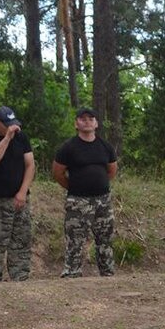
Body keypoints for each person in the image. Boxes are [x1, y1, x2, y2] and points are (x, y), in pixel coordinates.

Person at [52, 107, 118, 278]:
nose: (87, 121)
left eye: (91, 119)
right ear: (76, 123)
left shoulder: (105, 146)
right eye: (83, 119)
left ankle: (107, 274)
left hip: (103, 201)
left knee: (105, 239)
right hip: (78, 201)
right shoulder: (68, 147)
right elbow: (58, 173)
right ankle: (72, 273)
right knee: (75, 240)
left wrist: (98, 185)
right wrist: (75, 187)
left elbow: (111, 171)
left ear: (96, 123)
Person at [0, 106, 35, 282]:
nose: (12, 128)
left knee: (21, 239)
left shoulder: (22, 137)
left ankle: (20, 276)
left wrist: (22, 192)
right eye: (7, 124)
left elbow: (30, 165)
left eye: (13, 124)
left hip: (19, 198)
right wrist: (6, 138)